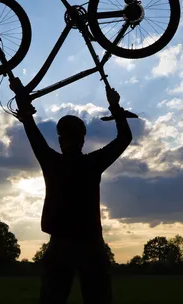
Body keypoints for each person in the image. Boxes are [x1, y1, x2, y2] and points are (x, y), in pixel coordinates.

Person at [12, 82, 133, 304]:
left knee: (52, 299)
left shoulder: (51, 162)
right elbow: (124, 138)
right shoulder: (93, 163)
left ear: (60, 139)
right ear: (83, 139)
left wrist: (20, 93)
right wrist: (115, 106)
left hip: (60, 244)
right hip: (91, 243)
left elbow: (31, 128)